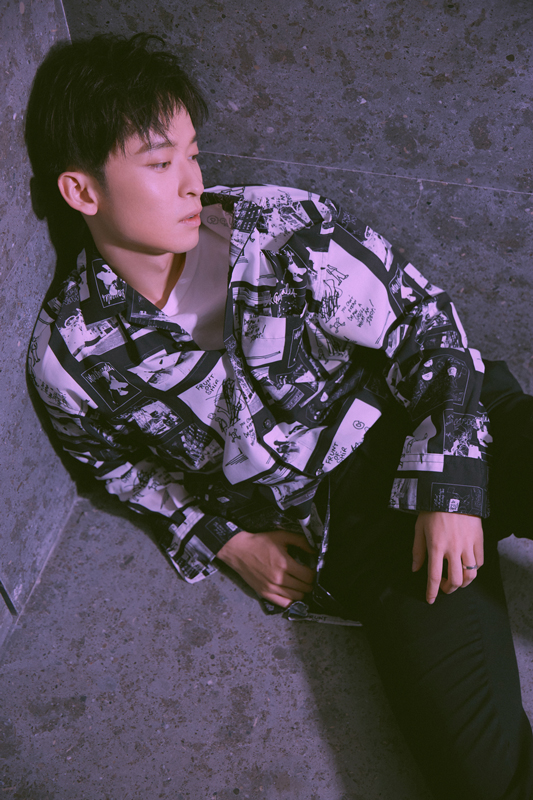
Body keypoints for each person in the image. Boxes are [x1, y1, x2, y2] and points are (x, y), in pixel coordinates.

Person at [25, 32, 533, 799]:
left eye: (194, 154)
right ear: (82, 192)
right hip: (357, 531)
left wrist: (448, 486)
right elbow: (115, 468)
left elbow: (422, 322)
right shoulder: (71, 358)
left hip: (439, 418)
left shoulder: (278, 226)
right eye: (160, 164)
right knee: (485, 779)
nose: (191, 182)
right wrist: (227, 541)